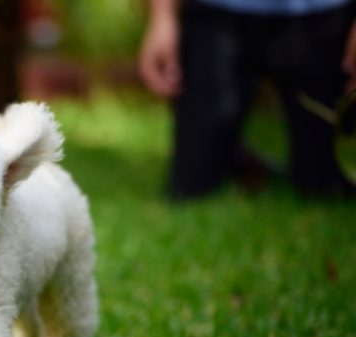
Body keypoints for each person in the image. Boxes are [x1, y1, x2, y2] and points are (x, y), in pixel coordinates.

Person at [139, 0, 356, 200]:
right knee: (190, 187)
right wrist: (163, 18)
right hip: (218, 13)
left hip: (323, 14)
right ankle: (237, 157)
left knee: (323, 184)